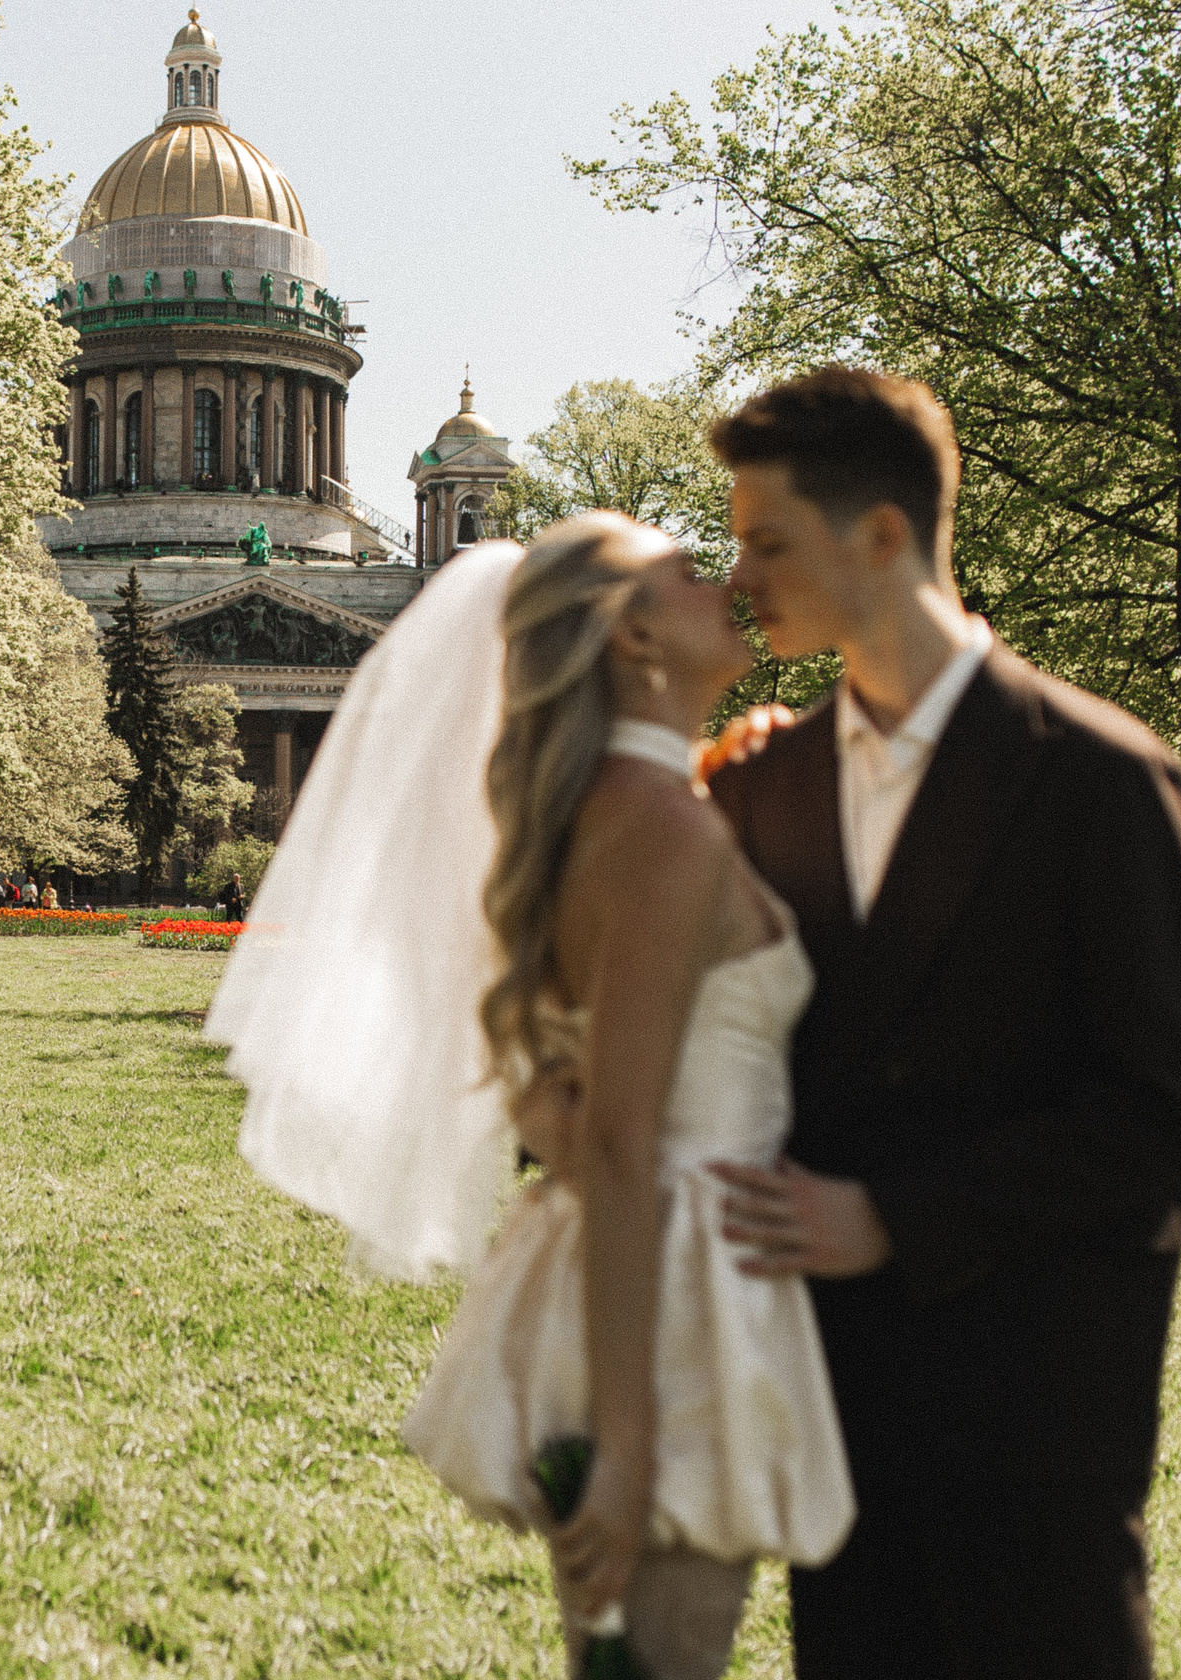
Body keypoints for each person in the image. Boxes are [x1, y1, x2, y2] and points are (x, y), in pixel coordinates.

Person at [213, 515, 853, 1680]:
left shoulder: (593, 819)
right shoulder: (660, 832)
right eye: (687, 572)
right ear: (631, 636)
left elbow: (567, 1097)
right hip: (670, 1299)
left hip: (614, 1268)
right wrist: (628, 1443)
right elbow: (617, 1143)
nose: (725, 580)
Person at [703, 367, 1181, 1679]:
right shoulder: (764, 783)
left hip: (1037, 1414)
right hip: (836, 1419)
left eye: (767, 541)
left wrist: (894, 1216)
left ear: (881, 533)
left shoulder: (1107, 778)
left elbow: (1174, 1099)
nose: (738, 575)